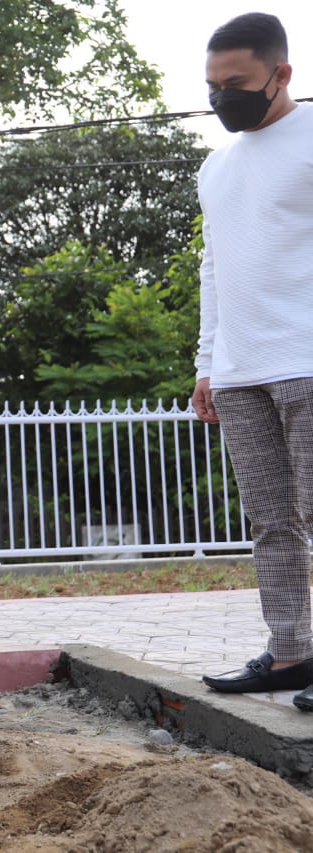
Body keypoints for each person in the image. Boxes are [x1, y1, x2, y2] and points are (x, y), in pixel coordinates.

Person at [191, 13, 313, 711]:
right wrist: (209, 361)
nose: (221, 99)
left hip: (307, 358)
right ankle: (291, 651)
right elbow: (215, 267)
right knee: (270, 520)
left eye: (235, 84)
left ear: (282, 74)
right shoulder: (218, 166)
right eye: (211, 87)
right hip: (241, 370)